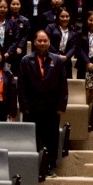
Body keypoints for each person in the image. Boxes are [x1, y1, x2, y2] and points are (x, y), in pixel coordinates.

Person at [18, 30, 69, 175]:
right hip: (31, 107)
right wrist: (24, 106)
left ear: (49, 42)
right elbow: (21, 85)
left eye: (45, 40)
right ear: (34, 42)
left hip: (51, 107)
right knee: (33, 138)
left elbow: (63, 85)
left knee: (51, 138)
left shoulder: (57, 60)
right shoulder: (26, 60)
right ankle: (33, 168)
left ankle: (49, 167)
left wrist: (61, 106)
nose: (42, 43)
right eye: (39, 41)